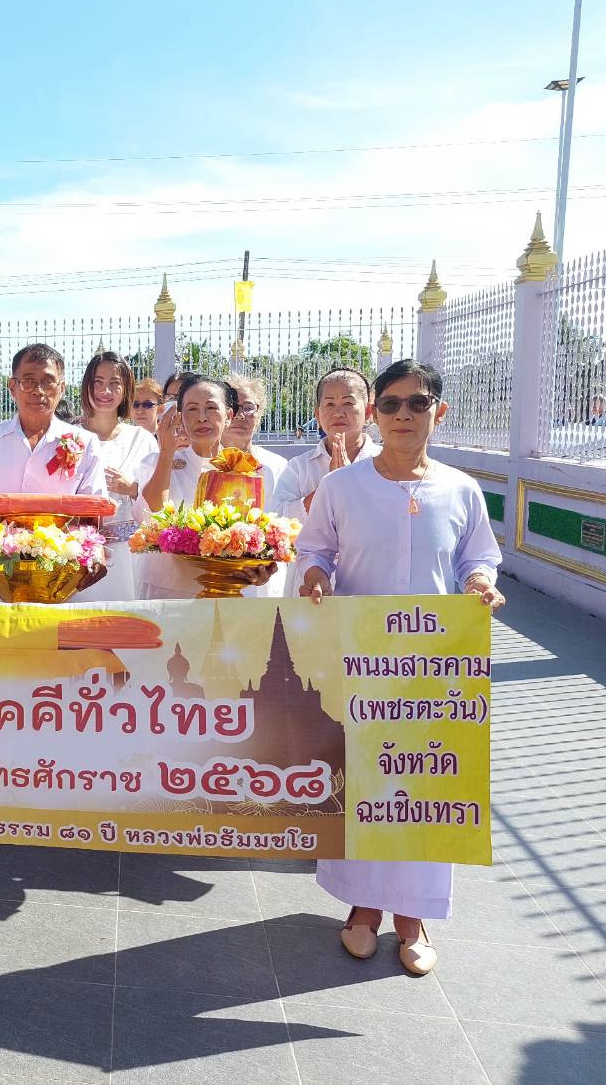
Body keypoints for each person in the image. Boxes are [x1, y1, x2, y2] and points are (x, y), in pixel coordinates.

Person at [297, 358, 505, 977]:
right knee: (365, 783)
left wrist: (480, 583)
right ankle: (362, 908)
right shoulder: (342, 487)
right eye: (390, 404)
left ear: (439, 411)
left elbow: (478, 556)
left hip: (435, 671)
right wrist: (315, 577)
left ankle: (413, 918)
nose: (403, 415)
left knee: (425, 784)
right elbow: (315, 549)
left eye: (417, 403)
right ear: (375, 414)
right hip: (361, 664)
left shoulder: (461, 489)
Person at [0, 343, 109, 596]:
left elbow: (94, 510)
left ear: (61, 388)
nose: (38, 390)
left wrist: (96, 552)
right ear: (12, 387)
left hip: (61, 574)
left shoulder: (85, 442)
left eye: (48, 382)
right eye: (28, 381)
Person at [138, 374, 275, 599]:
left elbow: (264, 534)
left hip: (234, 589)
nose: (201, 418)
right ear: (180, 416)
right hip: (170, 592)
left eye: (211, 408)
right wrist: (167, 452)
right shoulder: (155, 463)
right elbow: (153, 513)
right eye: (192, 409)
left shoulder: (252, 470)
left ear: (229, 416)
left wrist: (261, 567)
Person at [272, 367, 378, 595]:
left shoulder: (383, 463)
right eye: (329, 404)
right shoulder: (300, 467)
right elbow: (278, 524)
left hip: (368, 580)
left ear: (368, 411)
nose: (338, 412)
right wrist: (328, 486)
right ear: (318, 414)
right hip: (310, 583)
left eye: (348, 403)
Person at [78, 351, 157, 600]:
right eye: (98, 382)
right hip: (79, 554)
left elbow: (161, 498)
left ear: (126, 389)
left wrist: (132, 488)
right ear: (87, 386)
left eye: (115, 383)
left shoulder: (142, 439)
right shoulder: (69, 438)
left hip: (130, 556)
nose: (106, 391)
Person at [223, 374, 290, 599]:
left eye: (248, 407)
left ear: (259, 412)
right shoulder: (204, 464)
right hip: (213, 577)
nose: (240, 415)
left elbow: (287, 524)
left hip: (266, 581)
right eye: (233, 407)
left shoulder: (279, 466)